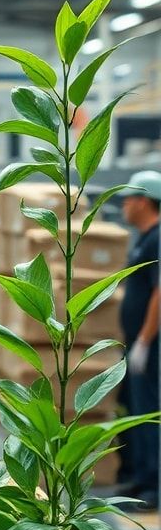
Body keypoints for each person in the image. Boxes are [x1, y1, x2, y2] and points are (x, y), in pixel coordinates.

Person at [120, 170, 161, 511]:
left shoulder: (158, 238)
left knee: (149, 412)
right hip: (139, 342)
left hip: (152, 344)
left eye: (128, 199)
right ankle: (142, 476)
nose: (124, 206)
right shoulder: (144, 239)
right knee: (138, 411)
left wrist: (146, 340)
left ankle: (152, 486)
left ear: (144, 201)